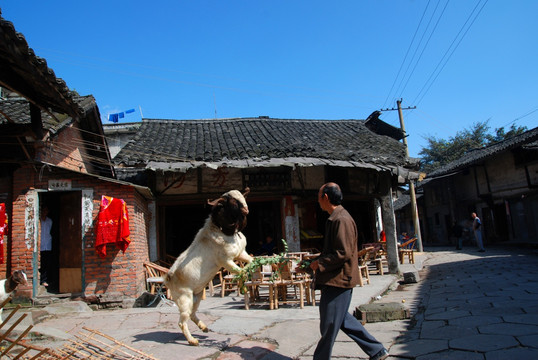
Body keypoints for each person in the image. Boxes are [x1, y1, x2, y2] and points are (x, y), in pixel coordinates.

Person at [306, 183, 389, 360]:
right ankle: (377, 350)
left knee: (329, 324)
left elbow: (342, 253)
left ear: (326, 198)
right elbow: (334, 250)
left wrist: (319, 264)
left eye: (319, 197)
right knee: (342, 319)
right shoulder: (335, 218)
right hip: (334, 278)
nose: (318, 201)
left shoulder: (341, 219)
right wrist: (313, 261)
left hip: (339, 279)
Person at [40, 205, 53, 287]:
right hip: (40, 245)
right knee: (41, 263)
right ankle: (40, 280)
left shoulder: (49, 221)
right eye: (43, 211)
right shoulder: (39, 221)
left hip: (47, 244)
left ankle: (45, 279)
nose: (45, 212)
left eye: (46, 211)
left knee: (46, 263)